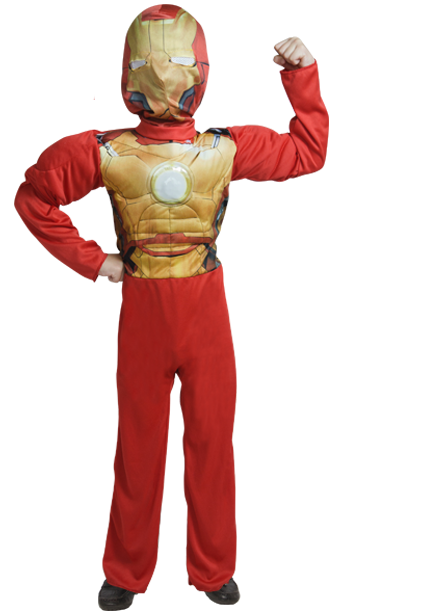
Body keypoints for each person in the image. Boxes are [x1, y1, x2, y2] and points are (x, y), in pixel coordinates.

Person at [14, 4, 328, 609]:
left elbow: (307, 152)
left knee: (210, 445)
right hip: (148, 308)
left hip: (200, 307)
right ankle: (128, 576)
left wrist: (301, 78)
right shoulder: (107, 150)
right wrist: (93, 260)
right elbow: (35, 197)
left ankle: (210, 575)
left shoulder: (218, 147)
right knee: (139, 448)